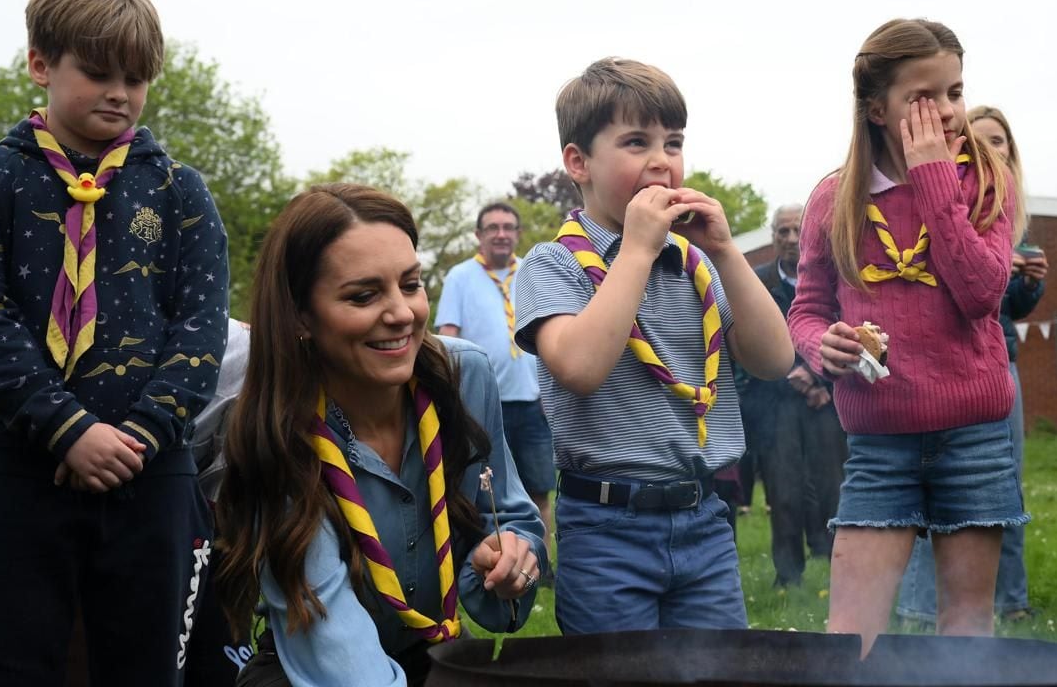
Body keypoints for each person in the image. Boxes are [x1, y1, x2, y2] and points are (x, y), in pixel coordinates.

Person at [0, 0, 229, 686]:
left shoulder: (180, 191)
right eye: (97, 73)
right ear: (41, 64)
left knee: (147, 667)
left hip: (150, 470)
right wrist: (67, 428)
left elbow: (199, 329)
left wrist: (136, 438)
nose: (119, 94)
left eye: (136, 79)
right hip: (15, 466)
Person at [214, 184, 547, 687]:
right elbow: (332, 638)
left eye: (410, 284)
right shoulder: (275, 427)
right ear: (300, 315)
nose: (401, 313)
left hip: (435, 652)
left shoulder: (465, 379)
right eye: (363, 295)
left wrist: (509, 561)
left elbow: (513, 517)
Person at [514, 57, 794, 635]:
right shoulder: (552, 265)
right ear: (578, 162)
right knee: (616, 673)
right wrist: (637, 250)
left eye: (673, 142)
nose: (662, 160)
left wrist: (725, 251)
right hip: (605, 525)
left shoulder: (695, 267)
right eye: (636, 141)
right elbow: (581, 367)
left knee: (719, 675)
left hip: (703, 519)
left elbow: (774, 359)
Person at [786, 18, 1027, 656]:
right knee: (850, 638)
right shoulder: (833, 200)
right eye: (927, 97)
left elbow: (981, 293)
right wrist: (821, 345)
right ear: (875, 108)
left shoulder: (984, 182)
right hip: (877, 442)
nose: (949, 112)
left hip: (973, 434)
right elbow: (806, 310)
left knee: (966, 632)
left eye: (955, 91)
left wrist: (932, 177)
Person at [897, 105, 1046, 625]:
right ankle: (919, 606)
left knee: (1004, 486)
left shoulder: (1010, 216)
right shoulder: (942, 201)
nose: (991, 149)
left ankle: (1011, 600)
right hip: (942, 362)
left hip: (999, 361)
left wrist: (1027, 284)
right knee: (927, 484)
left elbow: (1007, 308)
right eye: (980, 139)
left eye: (1001, 141)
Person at [436, 201, 556, 543]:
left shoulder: (533, 273)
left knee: (538, 489)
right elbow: (448, 335)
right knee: (481, 490)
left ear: (517, 234)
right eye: (493, 228)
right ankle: (484, 558)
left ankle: (540, 562)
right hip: (482, 405)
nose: (501, 234)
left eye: (508, 228)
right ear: (478, 235)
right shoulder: (460, 277)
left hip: (533, 403)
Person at [745, 204, 849, 588]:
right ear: (773, 236)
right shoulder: (758, 282)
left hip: (825, 401)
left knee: (833, 487)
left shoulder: (832, 277)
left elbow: (849, 330)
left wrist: (820, 378)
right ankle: (787, 575)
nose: (790, 239)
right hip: (776, 406)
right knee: (783, 490)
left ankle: (843, 570)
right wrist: (788, 372)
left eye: (796, 231)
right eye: (782, 232)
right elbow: (747, 339)